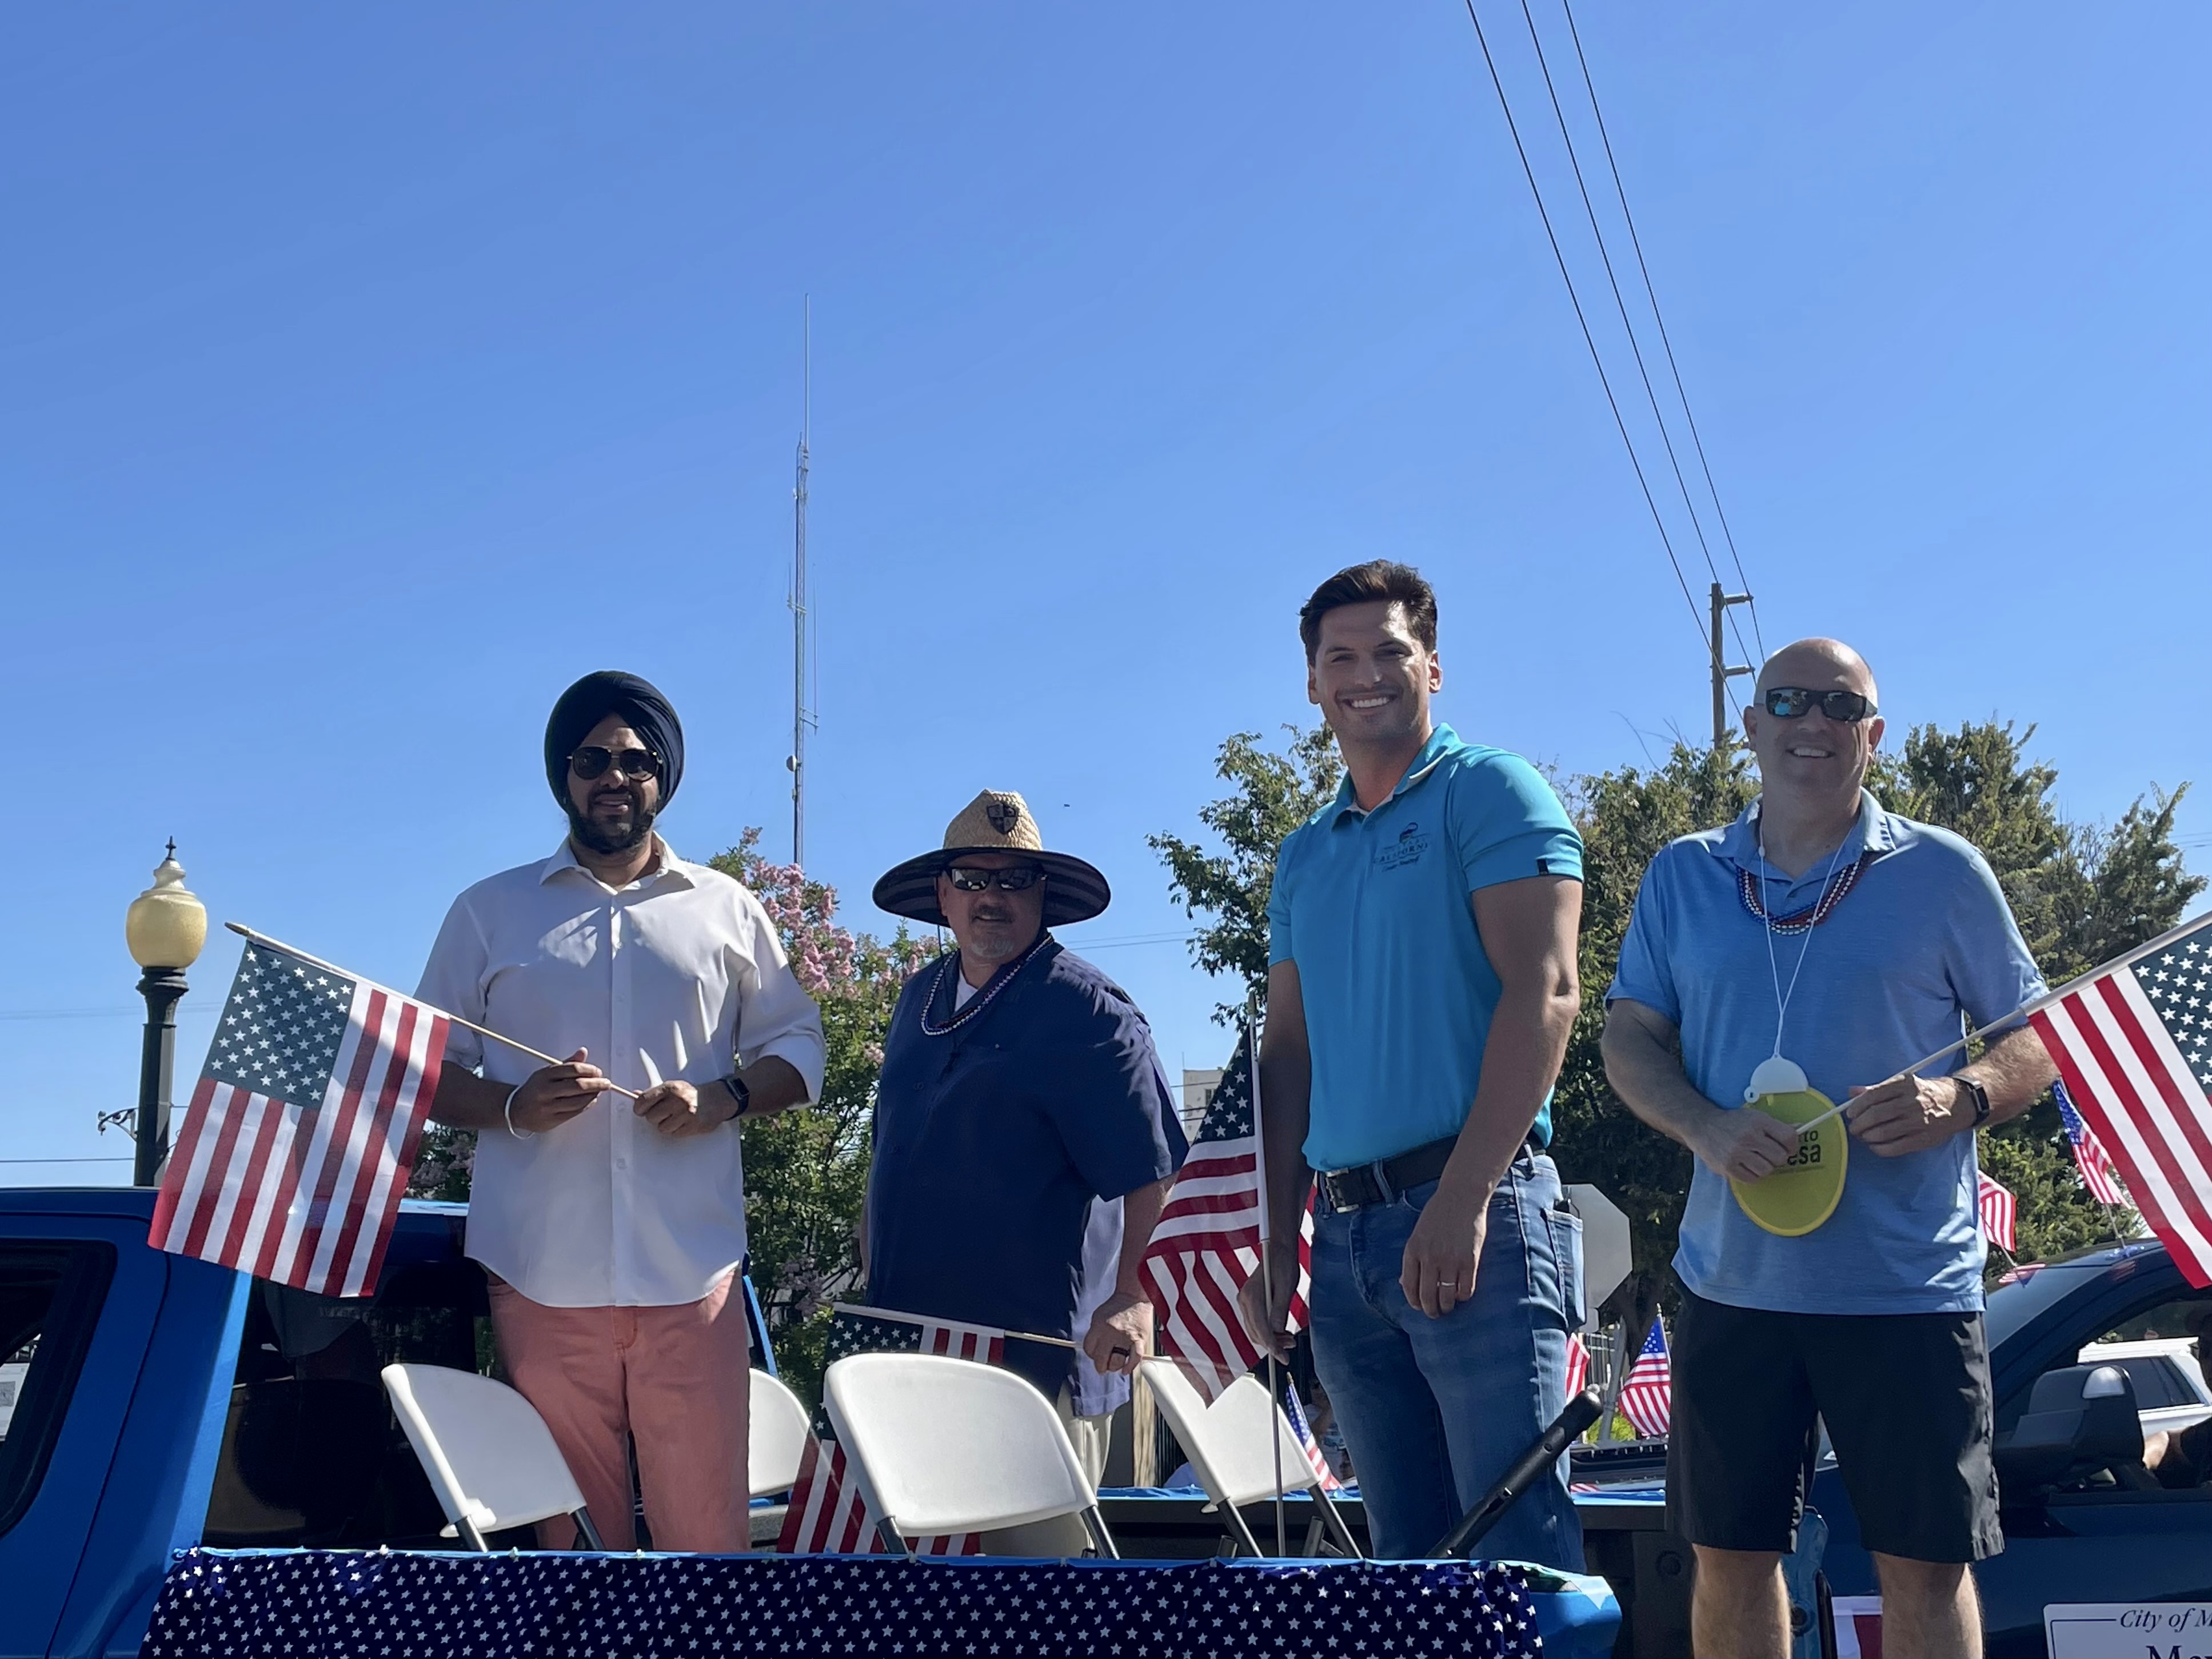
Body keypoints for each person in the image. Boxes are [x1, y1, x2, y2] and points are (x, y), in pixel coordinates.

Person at [1602, 637, 2057, 1659]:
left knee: (1925, 1569)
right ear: (1751, 725)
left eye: (1842, 705)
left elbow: (2036, 1041)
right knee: (1729, 1559)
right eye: (1790, 701)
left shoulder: (1941, 870)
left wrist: (1964, 1093)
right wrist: (1706, 1124)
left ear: (1874, 735)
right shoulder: (1685, 873)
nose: (1815, 722)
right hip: (1735, 1286)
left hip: (1906, 1289)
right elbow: (1630, 1037)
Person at [417, 670, 825, 1552]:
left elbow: (802, 1050)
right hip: (539, 1273)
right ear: (563, 775)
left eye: (636, 759)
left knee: (704, 1548)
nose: (614, 775)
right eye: (592, 757)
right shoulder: (488, 911)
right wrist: (516, 1106)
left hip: (692, 1279)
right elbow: (426, 1072)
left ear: (662, 776)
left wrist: (721, 1097)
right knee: (568, 1548)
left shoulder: (726, 908)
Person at [1238, 560, 1588, 1567]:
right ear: (1311, 683)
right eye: (1338, 656)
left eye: (1390, 650)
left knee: (1518, 1553)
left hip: (1478, 1216)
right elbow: (1289, 1051)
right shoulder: (1305, 852)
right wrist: (1277, 1233)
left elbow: (1548, 992)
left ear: (1433, 667)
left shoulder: (1491, 789)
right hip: (1342, 1243)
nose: (1365, 674)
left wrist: (1466, 1196)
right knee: (1404, 1563)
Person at [865, 789, 1187, 1490]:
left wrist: (1134, 1292)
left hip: (1036, 1365)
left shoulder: (1088, 1009)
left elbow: (1154, 1170)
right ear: (942, 896)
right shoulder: (915, 998)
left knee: (1037, 1585)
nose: (993, 897)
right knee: (910, 1587)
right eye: (974, 879)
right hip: (904, 1354)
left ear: (1043, 894)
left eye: (1013, 880)